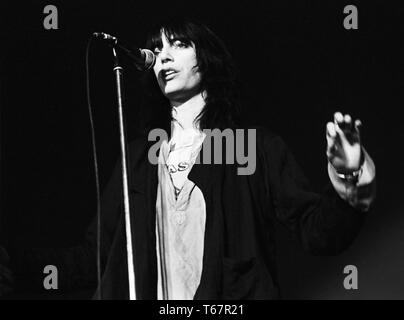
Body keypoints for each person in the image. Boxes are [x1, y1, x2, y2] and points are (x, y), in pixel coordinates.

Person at [0, 19, 376, 300]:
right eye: (157, 48)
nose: (163, 55)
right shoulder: (141, 158)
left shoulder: (250, 148)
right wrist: (16, 265)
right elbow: (97, 256)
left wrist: (351, 177)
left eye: (178, 44)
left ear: (207, 59)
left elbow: (317, 232)